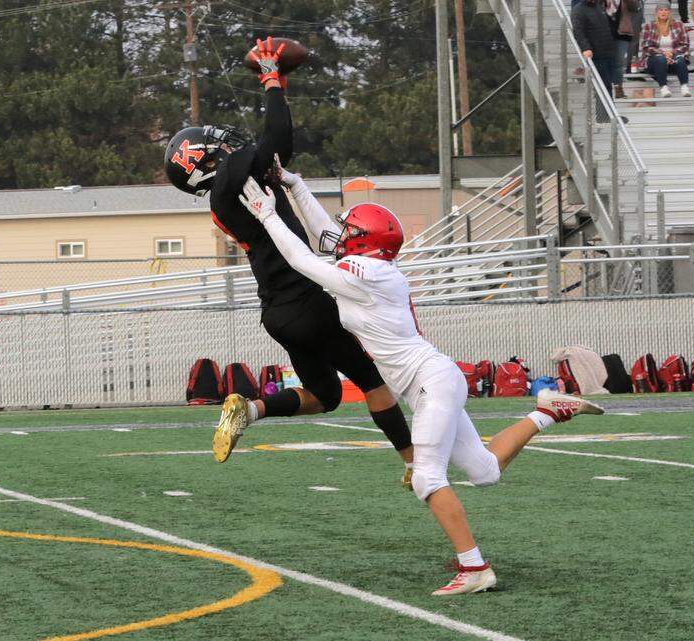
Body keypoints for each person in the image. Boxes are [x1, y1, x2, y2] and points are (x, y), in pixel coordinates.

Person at [237, 173, 605, 595]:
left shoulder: (366, 272)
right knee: (484, 472)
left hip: (430, 381)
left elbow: (303, 259)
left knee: (426, 478)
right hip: (430, 381)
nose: (342, 235)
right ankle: (547, 411)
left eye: (352, 231)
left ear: (365, 240)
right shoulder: (371, 265)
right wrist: (296, 187)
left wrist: (268, 216)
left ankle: (475, 567)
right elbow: (324, 239)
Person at [162, 38, 414, 478]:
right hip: (309, 300)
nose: (226, 145)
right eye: (215, 144)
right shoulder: (231, 179)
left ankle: (251, 410)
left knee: (325, 396)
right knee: (375, 383)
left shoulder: (222, 200)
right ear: (202, 162)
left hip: (278, 312)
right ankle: (416, 464)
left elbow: (273, 154)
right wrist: (271, 77)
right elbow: (279, 138)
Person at [637, 2, 692, 97]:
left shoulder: (678, 25)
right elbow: (646, 46)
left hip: (673, 58)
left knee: (680, 59)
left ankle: (684, 87)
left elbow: (685, 44)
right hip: (654, 60)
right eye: (661, 10)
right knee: (660, 59)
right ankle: (663, 87)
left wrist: (672, 53)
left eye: (666, 10)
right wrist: (663, 53)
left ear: (670, 12)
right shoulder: (649, 26)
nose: (663, 12)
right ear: (656, 12)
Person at [572, 0, 617, 97]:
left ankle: (607, 109)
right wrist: (585, 48)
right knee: (603, 87)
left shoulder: (599, 6)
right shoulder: (578, 10)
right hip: (596, 55)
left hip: (609, 53)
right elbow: (578, 32)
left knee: (608, 85)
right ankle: (606, 111)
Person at [611, 0, 645, 99]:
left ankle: (618, 88)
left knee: (619, 61)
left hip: (622, 30)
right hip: (605, 28)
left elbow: (635, 7)